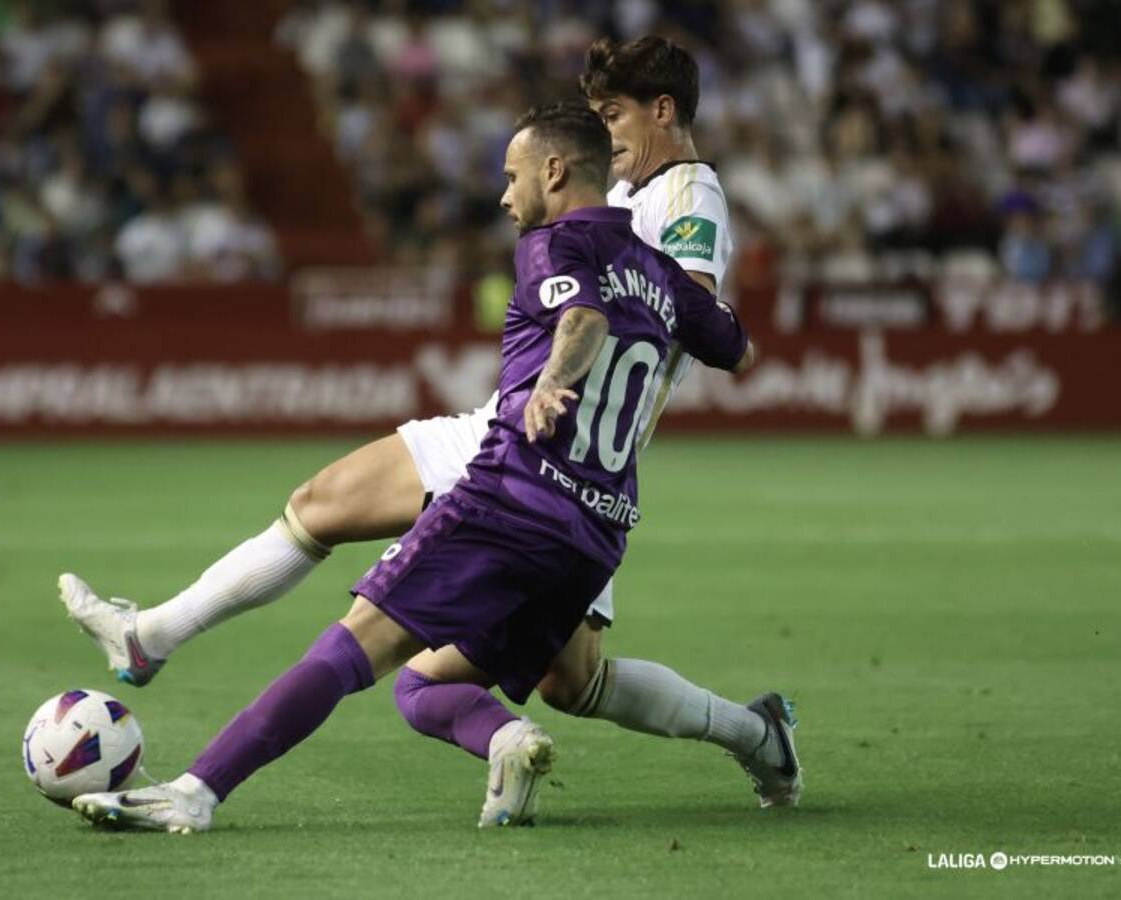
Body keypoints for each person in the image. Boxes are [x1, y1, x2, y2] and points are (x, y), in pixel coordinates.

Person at [60, 37, 789, 822]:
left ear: (658, 113)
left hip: (526, 456)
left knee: (347, 600)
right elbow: (724, 336)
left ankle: (189, 768)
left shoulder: (668, 200)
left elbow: (598, 314)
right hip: (600, 502)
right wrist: (656, 301)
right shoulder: (636, 240)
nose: (604, 134)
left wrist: (559, 375)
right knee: (529, 680)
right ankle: (726, 734)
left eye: (613, 115)